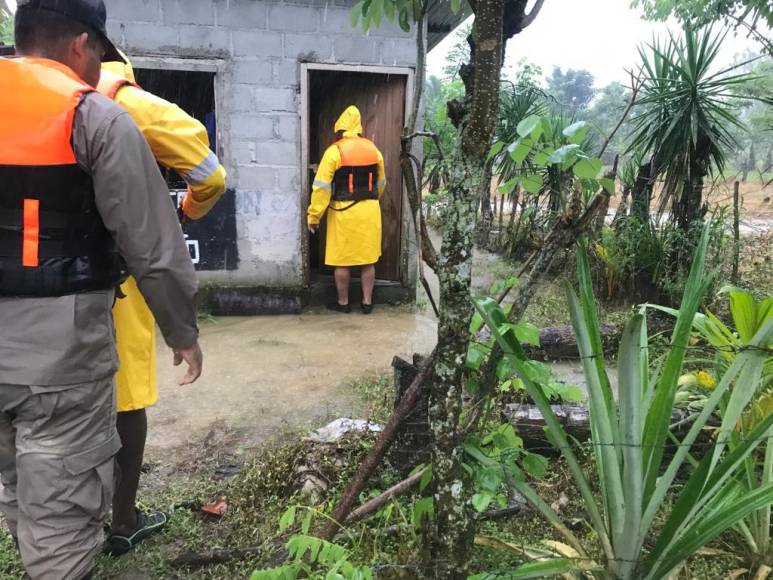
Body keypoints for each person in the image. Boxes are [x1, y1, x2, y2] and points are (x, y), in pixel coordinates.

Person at [0, 1, 202, 578]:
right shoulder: (94, 118)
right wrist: (182, 331)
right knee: (62, 513)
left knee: (17, 478)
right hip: (61, 357)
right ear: (81, 46)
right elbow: (153, 245)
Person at [96, 54, 227, 555]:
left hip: (28, 286)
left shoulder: (24, 101)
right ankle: (123, 520)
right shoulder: (125, 103)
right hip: (111, 275)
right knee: (125, 397)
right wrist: (186, 213)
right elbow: (210, 175)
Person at [307, 106, 386, 314]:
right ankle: (367, 303)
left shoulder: (335, 151)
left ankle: (343, 303)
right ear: (359, 127)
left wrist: (314, 216)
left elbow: (321, 187)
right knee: (367, 260)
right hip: (370, 211)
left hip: (343, 212)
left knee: (342, 260)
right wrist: (371, 200)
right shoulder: (373, 149)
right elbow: (382, 183)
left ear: (340, 128)